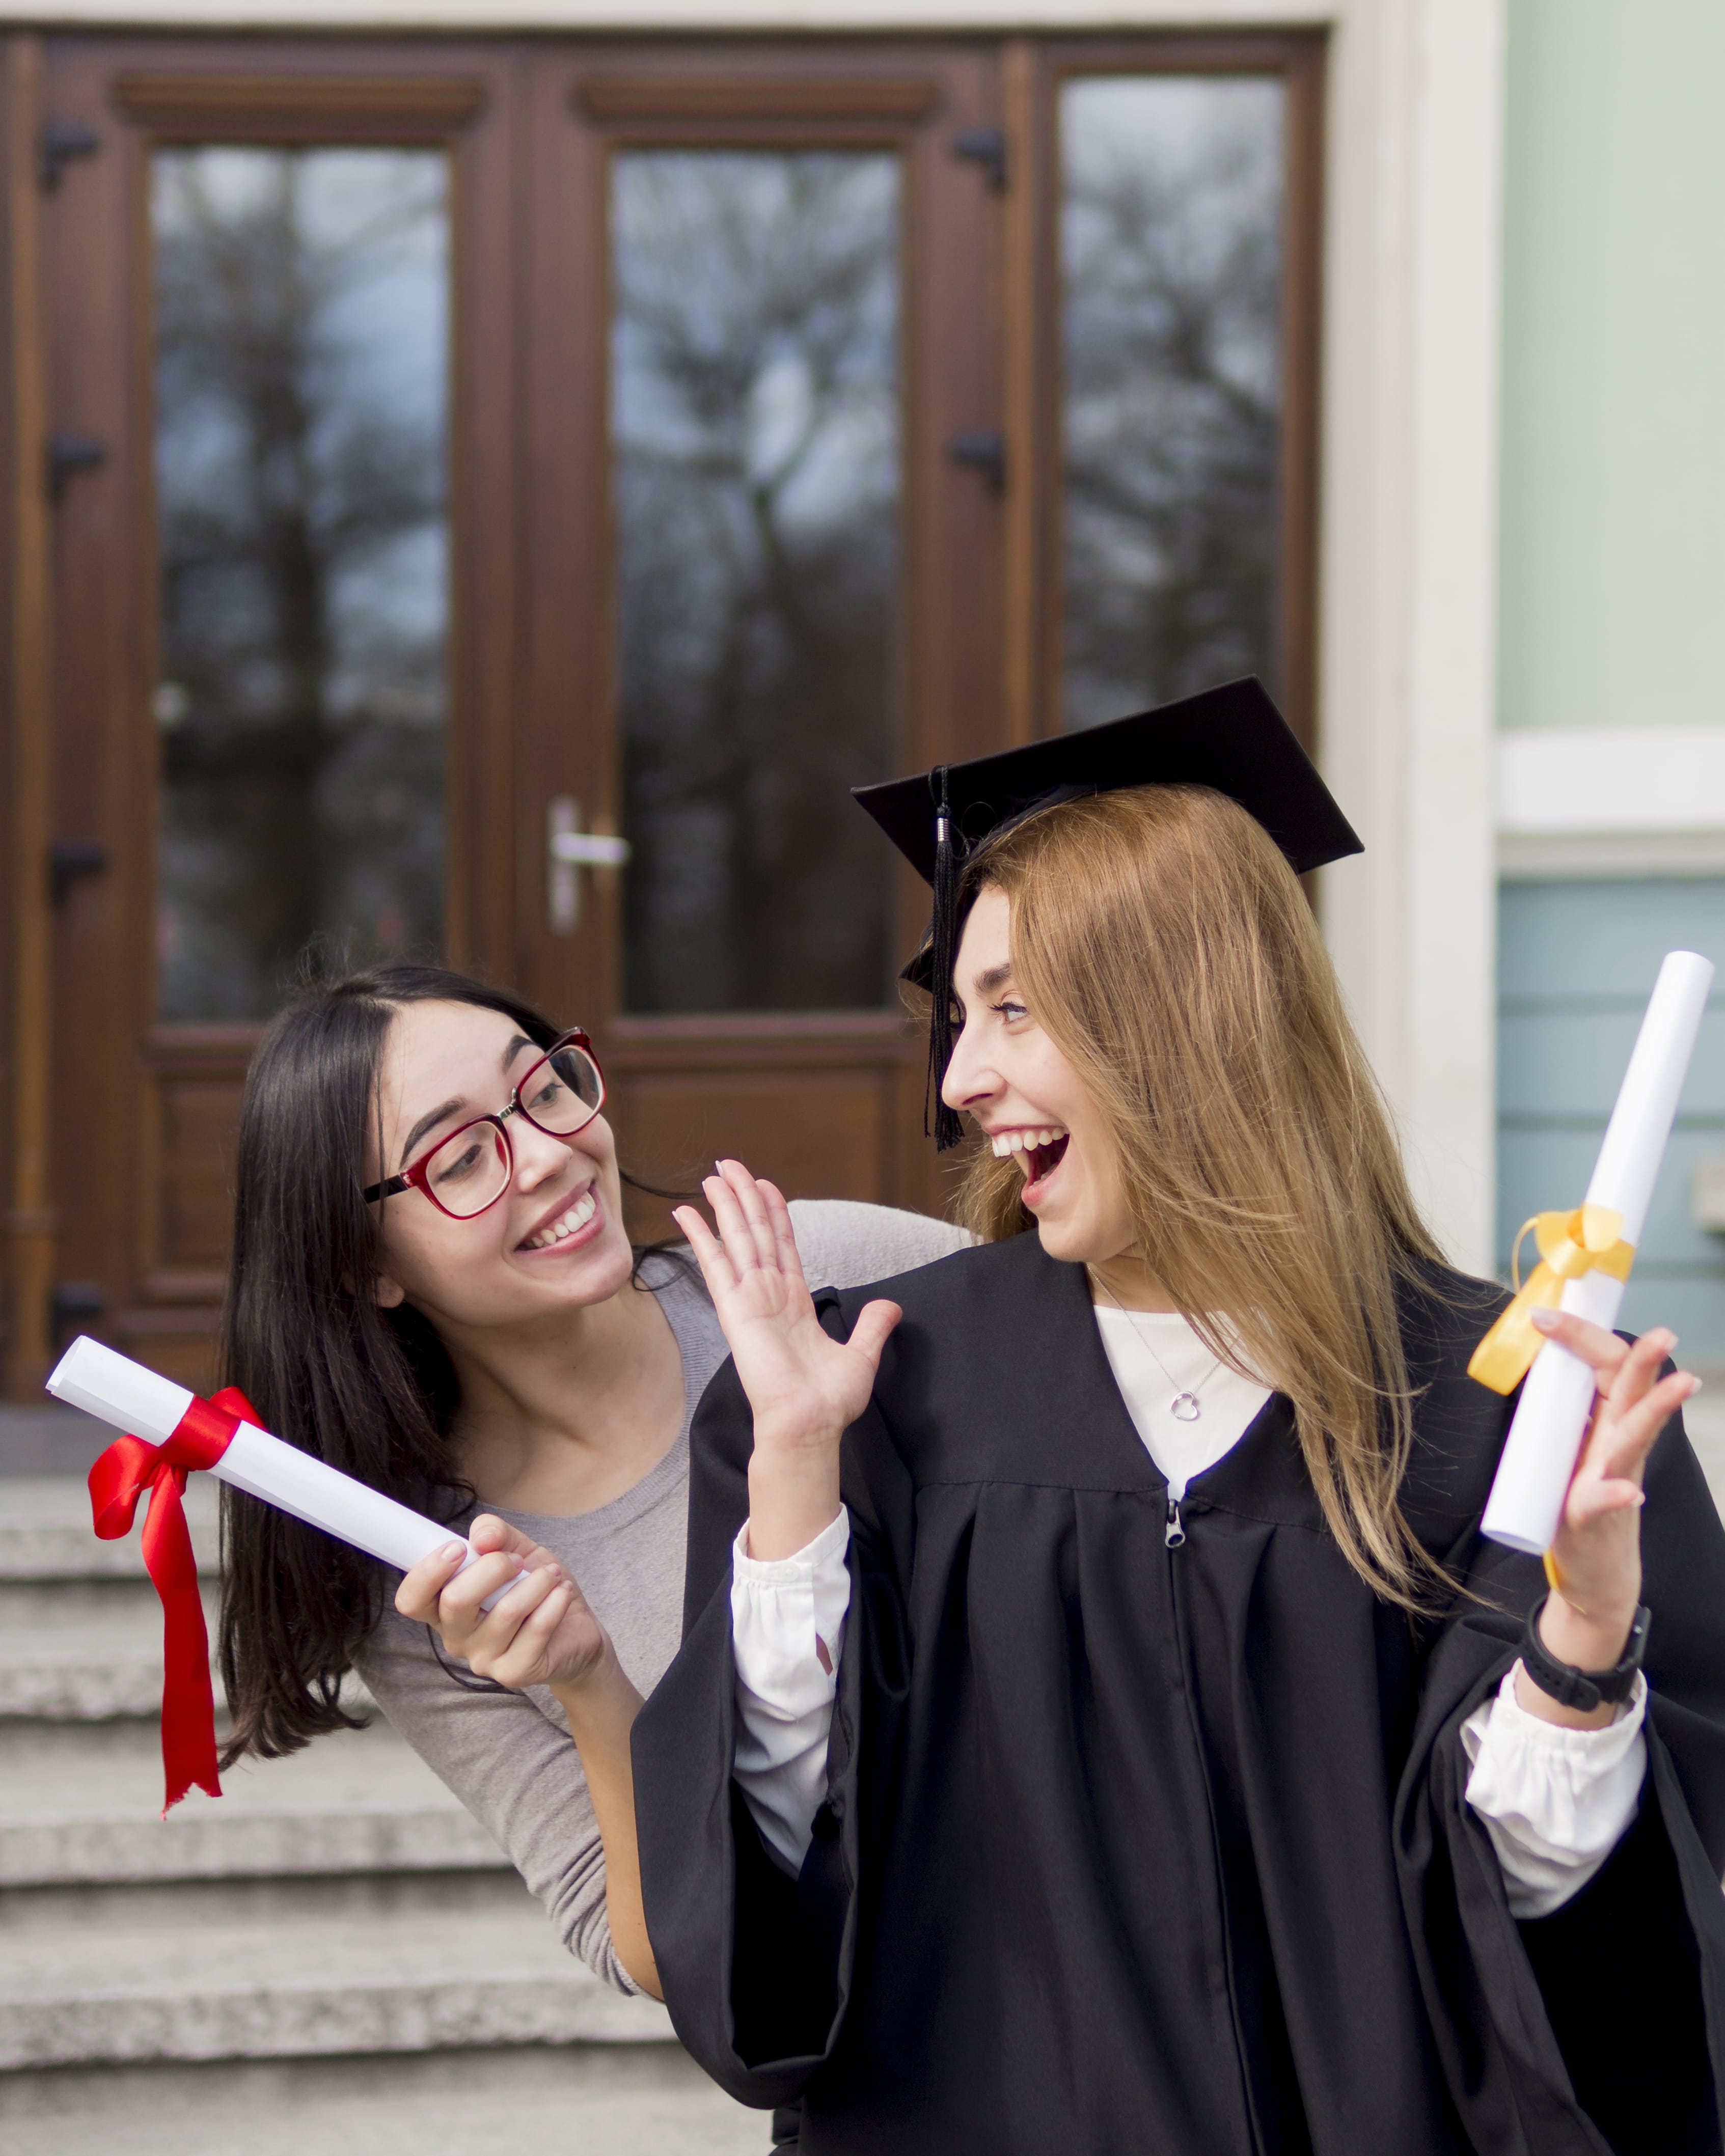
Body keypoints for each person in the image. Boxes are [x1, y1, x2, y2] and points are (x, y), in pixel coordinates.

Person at [633, 680, 1725, 2153]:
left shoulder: (1501, 1414)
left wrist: (1579, 1660)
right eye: (957, 1018)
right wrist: (792, 1505)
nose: (960, 1084)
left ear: (1188, 1019)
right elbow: (773, 1916)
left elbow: (1589, 1992)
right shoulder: (879, 1403)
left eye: (1011, 1009)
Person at [215, 963, 968, 1999]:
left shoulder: (821, 1271)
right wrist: (584, 1679)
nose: (548, 1155)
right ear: (364, 1264)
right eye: (462, 1154)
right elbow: (665, 1953)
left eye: (545, 1087)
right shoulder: (438, 1588)